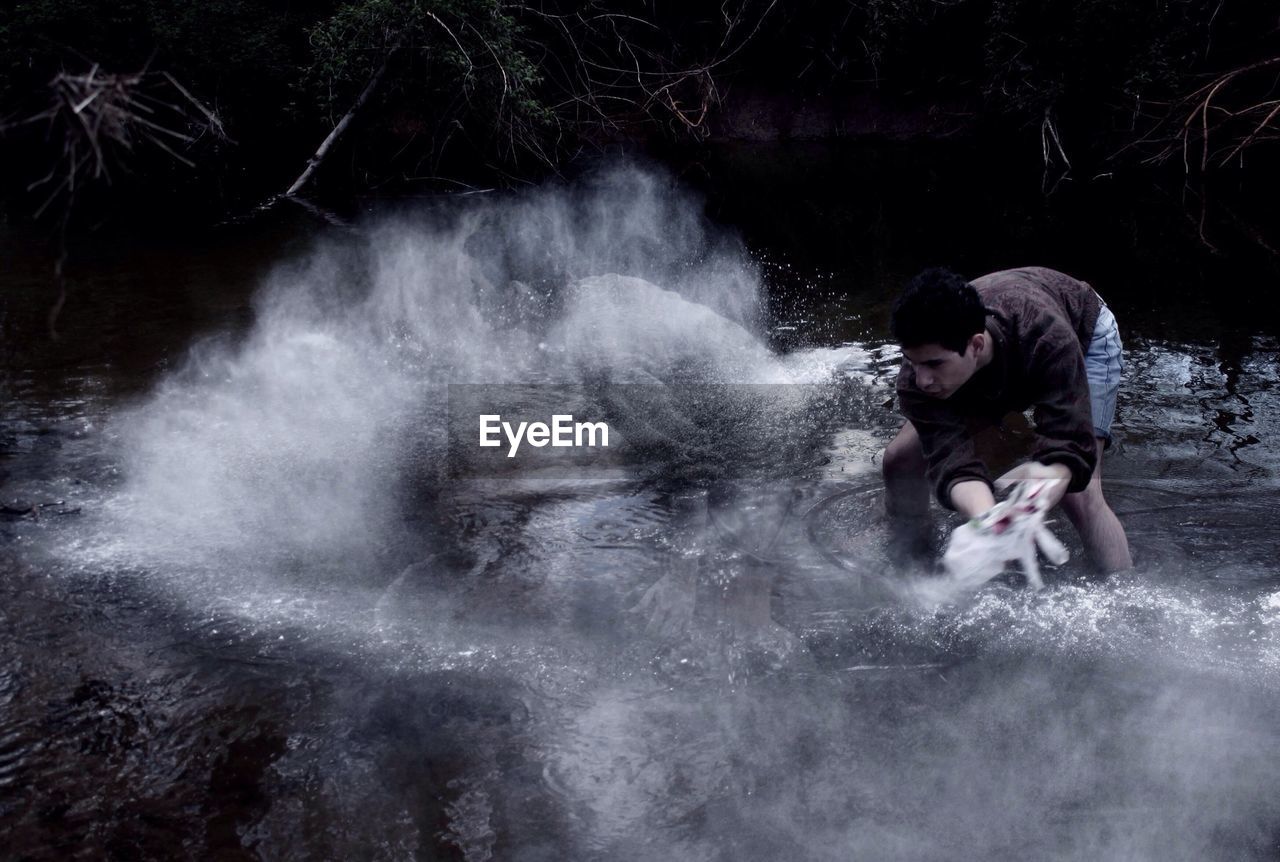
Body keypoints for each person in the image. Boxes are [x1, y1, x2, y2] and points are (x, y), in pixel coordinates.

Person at [882, 266, 1132, 574]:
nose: (922, 380)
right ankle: (911, 559)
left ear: (975, 345)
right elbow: (951, 461)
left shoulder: (1047, 335)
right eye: (912, 362)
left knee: (1081, 493)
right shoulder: (919, 377)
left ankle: (1124, 596)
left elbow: (1070, 446)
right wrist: (989, 522)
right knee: (899, 460)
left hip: (1083, 332)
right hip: (994, 359)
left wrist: (1046, 483)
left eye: (934, 364)